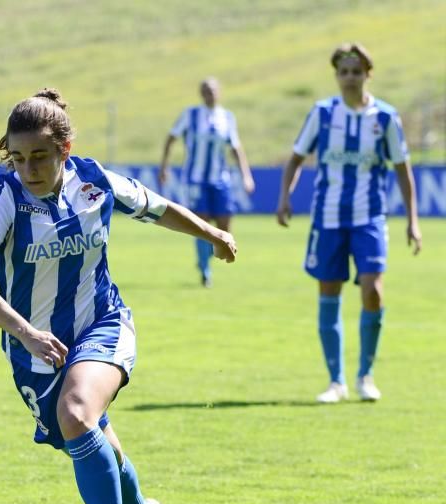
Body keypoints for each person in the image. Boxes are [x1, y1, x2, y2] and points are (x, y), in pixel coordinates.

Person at [0, 89, 238, 504]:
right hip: (35, 351)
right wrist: (27, 333)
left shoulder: (94, 180)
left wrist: (211, 234)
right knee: (94, 441)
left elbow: (158, 207)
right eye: (18, 158)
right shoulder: (4, 195)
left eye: (39, 156)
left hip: (102, 324)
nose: (28, 168)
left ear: (65, 148)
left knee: (77, 412)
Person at [276, 43, 422, 404]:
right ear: (337, 76)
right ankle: (336, 381)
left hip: (369, 217)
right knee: (329, 293)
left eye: (357, 71)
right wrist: (285, 196)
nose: (350, 77)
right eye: (344, 71)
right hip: (327, 218)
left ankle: (365, 375)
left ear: (367, 74)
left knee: (373, 290)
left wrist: (412, 221)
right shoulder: (323, 114)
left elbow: (403, 171)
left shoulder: (385, 118)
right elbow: (296, 158)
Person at [158, 77, 254, 287]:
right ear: (201, 94)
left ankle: (205, 257)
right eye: (205, 90)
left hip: (221, 179)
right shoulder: (190, 115)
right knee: (201, 224)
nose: (209, 94)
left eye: (212, 90)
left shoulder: (227, 117)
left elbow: (236, 148)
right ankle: (205, 270)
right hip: (196, 179)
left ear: (219, 92)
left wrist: (246, 175)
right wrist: (164, 166)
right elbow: (171, 138)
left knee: (224, 225)